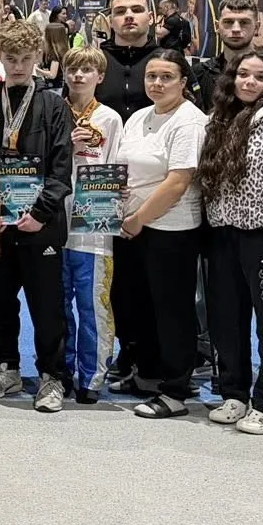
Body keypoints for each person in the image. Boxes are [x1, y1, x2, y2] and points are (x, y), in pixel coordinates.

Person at [197, 51, 263, 435]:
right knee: (226, 320)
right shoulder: (217, 121)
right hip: (222, 237)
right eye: (243, 74)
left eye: (259, 77)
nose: (249, 82)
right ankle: (234, 393)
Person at [0, 19, 74, 412]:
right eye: (11, 58)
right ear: (0, 57)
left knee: (47, 306)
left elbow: (62, 167)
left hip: (41, 225)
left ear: (38, 57)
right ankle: (6, 367)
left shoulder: (54, 105)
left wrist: (41, 212)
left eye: (25, 59)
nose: (18, 66)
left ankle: (52, 376)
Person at [112, 49, 207, 420]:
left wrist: (139, 217)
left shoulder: (189, 121)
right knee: (138, 305)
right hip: (133, 226)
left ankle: (175, 389)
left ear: (183, 82)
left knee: (172, 310)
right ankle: (148, 375)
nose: (157, 83)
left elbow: (178, 182)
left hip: (171, 230)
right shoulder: (139, 116)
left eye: (166, 77)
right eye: (151, 76)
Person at [60, 46, 122, 403]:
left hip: (94, 227)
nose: (78, 75)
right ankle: (62, 370)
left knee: (93, 304)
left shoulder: (110, 119)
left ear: (100, 76)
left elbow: (115, 167)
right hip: (56, 222)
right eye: (73, 69)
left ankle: (92, 377)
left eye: (86, 70)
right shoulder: (54, 110)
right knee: (58, 305)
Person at [190, 0, 263, 108]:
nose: (236, 29)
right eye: (228, 22)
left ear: (257, 27)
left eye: (244, 22)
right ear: (217, 26)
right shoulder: (199, 74)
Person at [95, 0, 161, 120]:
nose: (129, 16)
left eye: (137, 10)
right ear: (110, 21)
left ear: (151, 18)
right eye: (120, 11)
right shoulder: (93, 61)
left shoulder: (170, 61)